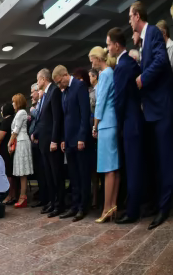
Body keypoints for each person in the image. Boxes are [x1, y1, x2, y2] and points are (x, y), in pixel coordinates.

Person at [129, 1, 173, 229]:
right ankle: (158, 204)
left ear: (137, 16)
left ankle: (164, 208)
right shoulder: (145, 39)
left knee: (165, 160)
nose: (129, 21)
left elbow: (161, 61)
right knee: (156, 161)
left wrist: (142, 79)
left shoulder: (153, 31)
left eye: (130, 17)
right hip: (153, 111)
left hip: (162, 108)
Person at [108, 27, 145, 224]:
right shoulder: (130, 62)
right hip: (137, 119)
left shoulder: (122, 66)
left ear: (116, 45)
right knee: (137, 166)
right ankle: (137, 206)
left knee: (132, 168)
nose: (107, 48)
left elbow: (119, 100)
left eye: (108, 45)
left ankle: (132, 212)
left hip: (130, 123)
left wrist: (118, 124)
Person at [53, 65, 91, 222]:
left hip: (79, 139)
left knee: (83, 174)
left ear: (65, 75)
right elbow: (65, 118)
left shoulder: (79, 86)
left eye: (59, 81)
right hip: (68, 140)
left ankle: (83, 207)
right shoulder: (65, 91)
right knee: (73, 175)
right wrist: (63, 138)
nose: (59, 85)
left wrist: (82, 137)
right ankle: (74, 206)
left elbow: (85, 114)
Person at [89, 46, 119, 223]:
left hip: (106, 124)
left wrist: (95, 125)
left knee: (108, 168)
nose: (91, 62)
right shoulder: (108, 73)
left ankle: (107, 208)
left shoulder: (106, 74)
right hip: (110, 122)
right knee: (113, 167)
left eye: (92, 59)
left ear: (98, 58)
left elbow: (100, 102)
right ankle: (112, 205)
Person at [35, 68, 65, 218]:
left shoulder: (54, 92)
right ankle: (52, 202)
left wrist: (54, 140)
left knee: (56, 174)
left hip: (51, 142)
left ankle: (59, 204)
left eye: (37, 80)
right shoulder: (46, 94)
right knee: (48, 174)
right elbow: (42, 118)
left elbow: (56, 119)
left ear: (43, 79)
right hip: (43, 141)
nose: (37, 83)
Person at [9, 93, 33, 208]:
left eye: (14, 101)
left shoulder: (21, 112)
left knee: (22, 171)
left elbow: (16, 130)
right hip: (20, 141)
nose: (12, 104)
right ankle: (22, 196)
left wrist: (9, 143)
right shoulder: (20, 113)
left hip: (22, 141)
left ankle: (23, 196)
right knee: (21, 171)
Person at [0, 103, 15, 205]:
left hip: (5, 149)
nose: (1, 112)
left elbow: (0, 137)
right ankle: (13, 195)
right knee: (12, 173)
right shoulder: (13, 119)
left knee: (8, 173)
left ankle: (9, 196)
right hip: (13, 149)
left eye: (2, 110)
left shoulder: (6, 121)